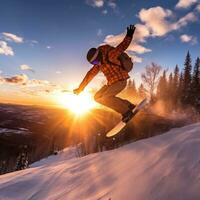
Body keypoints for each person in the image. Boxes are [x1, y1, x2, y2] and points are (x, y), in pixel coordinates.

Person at [74, 24, 136, 122]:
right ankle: (128, 105)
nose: (96, 64)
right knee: (97, 97)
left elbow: (121, 47)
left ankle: (126, 112)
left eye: (95, 62)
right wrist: (80, 88)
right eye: (93, 63)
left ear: (98, 56)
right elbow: (89, 75)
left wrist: (129, 35)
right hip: (111, 83)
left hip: (120, 80)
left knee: (106, 98)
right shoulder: (99, 64)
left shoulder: (110, 55)